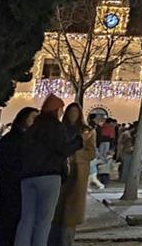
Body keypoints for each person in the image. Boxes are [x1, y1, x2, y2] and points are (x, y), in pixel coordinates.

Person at [16, 94, 83, 246]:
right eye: (61, 109)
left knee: (26, 218)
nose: (62, 113)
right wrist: (77, 142)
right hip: (49, 175)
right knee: (44, 220)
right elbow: (61, 150)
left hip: (28, 176)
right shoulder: (56, 127)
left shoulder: (32, 129)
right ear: (57, 110)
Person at [48, 103, 97, 246]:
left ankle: (66, 241)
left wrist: (75, 153)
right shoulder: (60, 129)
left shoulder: (87, 131)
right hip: (60, 171)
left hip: (77, 173)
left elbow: (91, 153)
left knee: (71, 211)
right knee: (56, 209)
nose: (73, 115)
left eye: (76, 112)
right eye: (71, 112)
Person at [0, 108, 37, 246]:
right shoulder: (14, 138)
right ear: (24, 119)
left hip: (15, 184)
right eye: (33, 118)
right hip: (11, 184)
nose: (35, 122)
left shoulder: (24, 137)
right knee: (7, 219)